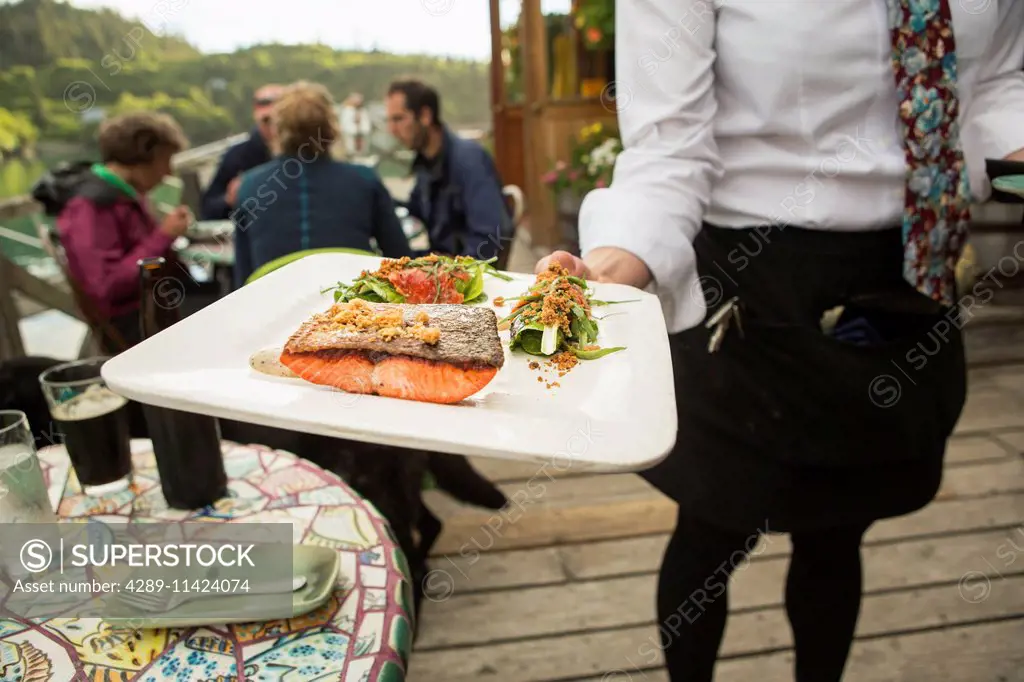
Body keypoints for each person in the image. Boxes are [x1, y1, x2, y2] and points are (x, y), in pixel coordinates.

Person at [537, 2, 1024, 681]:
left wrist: (1018, 171)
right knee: (715, 523)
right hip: (752, 281)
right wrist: (619, 263)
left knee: (839, 525)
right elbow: (668, 149)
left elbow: (996, 86)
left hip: (906, 269)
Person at [231, 81, 413, 288]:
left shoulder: (250, 186)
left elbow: (242, 279)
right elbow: (402, 262)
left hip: (274, 308)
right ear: (331, 128)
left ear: (278, 129)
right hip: (349, 308)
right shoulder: (365, 180)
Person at [56, 111, 193, 354]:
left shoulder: (121, 194)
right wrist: (164, 235)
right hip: (136, 335)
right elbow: (107, 286)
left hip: (156, 317)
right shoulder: (91, 207)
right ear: (144, 153)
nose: (169, 172)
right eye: (166, 159)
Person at [385, 79, 512, 262]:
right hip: (439, 261)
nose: (392, 130)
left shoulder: (469, 160)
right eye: (389, 120)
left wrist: (456, 271)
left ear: (425, 116)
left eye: (398, 119)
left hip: (465, 274)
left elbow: (494, 234)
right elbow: (415, 208)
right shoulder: (426, 162)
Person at [199, 83, 284, 220]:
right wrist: (228, 199)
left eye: (279, 121)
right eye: (267, 121)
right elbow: (208, 210)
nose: (273, 128)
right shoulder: (237, 156)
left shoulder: (303, 153)